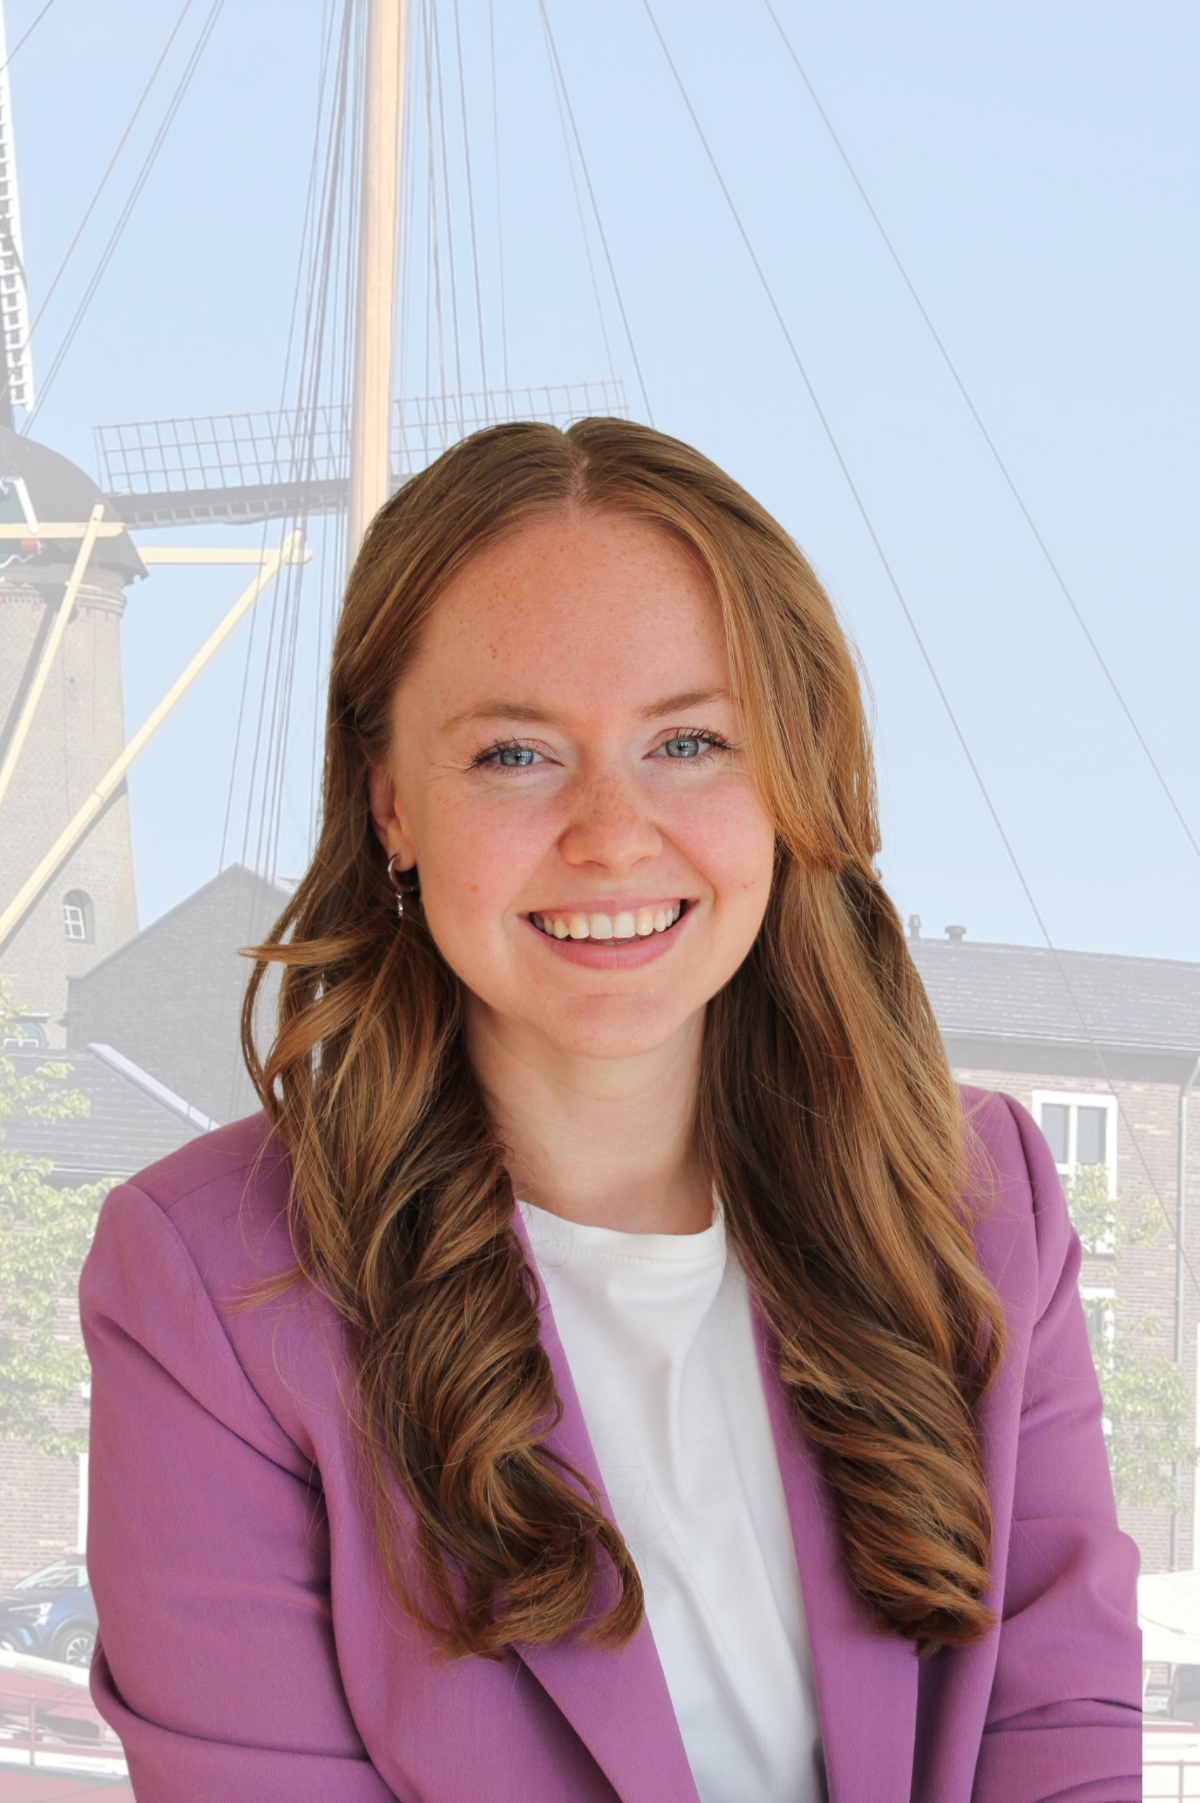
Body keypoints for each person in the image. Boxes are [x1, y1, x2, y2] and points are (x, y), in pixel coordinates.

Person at [80, 418, 1141, 1803]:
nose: (613, 834)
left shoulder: (982, 1198)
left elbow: (1061, 1734)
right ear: (392, 804)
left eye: (689, 741)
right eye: (515, 755)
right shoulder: (206, 1285)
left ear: (790, 778)